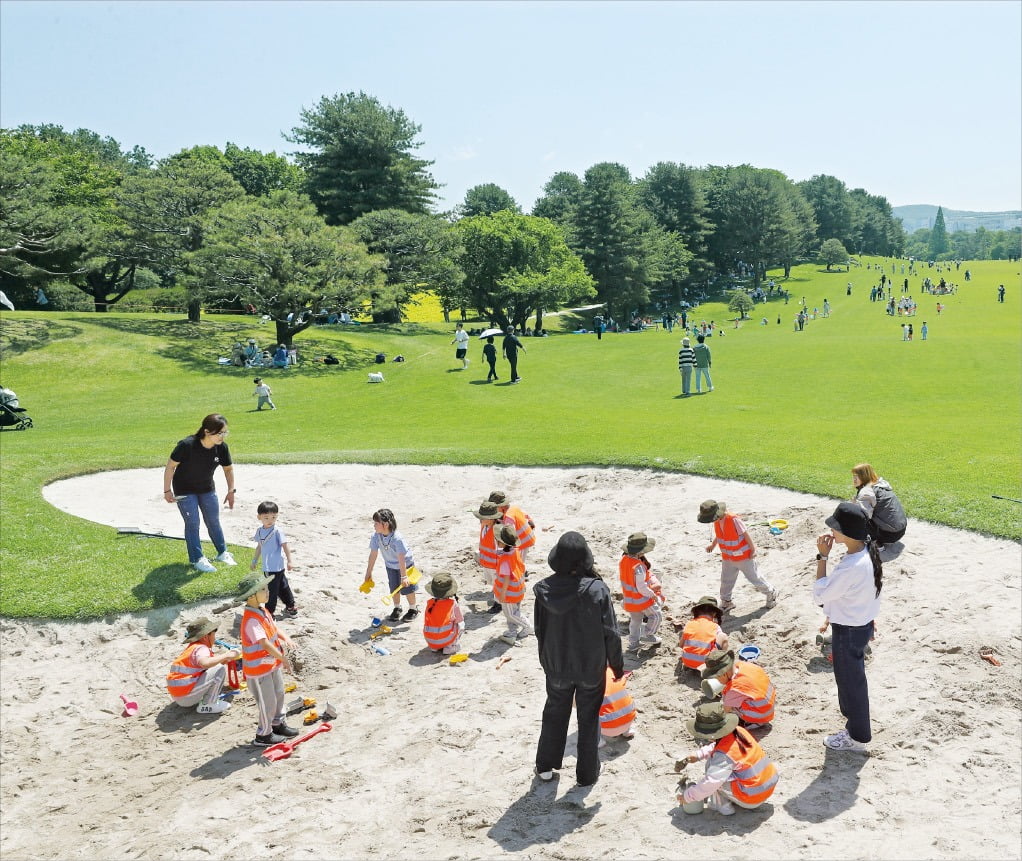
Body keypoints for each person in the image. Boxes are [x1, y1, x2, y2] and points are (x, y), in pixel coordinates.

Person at [533, 531, 625, 787]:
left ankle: (545, 767)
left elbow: (539, 630)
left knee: (554, 712)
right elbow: (611, 633)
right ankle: (587, 775)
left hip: (556, 665)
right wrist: (617, 665)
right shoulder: (597, 590)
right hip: (590, 668)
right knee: (588, 718)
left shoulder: (543, 590)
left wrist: (547, 661)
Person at [813, 502, 883, 752]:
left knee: (850, 684)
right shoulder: (866, 551)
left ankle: (857, 736)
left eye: (835, 527)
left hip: (849, 630)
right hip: (861, 624)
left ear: (848, 533)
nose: (832, 531)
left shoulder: (851, 565)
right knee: (854, 680)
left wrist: (822, 557)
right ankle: (856, 730)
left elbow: (820, 595)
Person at [163, 414, 238, 573]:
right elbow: (170, 466)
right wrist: (167, 490)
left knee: (213, 521)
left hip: (207, 488)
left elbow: (228, 469)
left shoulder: (222, 447)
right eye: (220, 433)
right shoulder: (187, 445)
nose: (223, 436)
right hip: (184, 489)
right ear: (207, 431)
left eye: (225, 432)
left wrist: (231, 490)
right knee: (193, 523)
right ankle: (197, 559)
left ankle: (222, 552)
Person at [675, 702, 779, 816]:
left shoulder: (723, 756)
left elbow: (710, 783)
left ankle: (722, 806)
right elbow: (723, 746)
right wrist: (698, 755)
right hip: (767, 785)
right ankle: (731, 797)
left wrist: (687, 797)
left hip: (753, 798)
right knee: (716, 766)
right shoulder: (739, 731)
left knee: (711, 769)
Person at [237, 573, 299, 747]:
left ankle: (277, 724)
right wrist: (283, 658)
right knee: (267, 702)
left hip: (270, 665)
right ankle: (263, 735)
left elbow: (273, 628)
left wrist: (285, 637)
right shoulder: (251, 620)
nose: (268, 592)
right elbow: (263, 642)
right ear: (251, 596)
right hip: (258, 671)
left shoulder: (262, 610)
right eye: (263, 589)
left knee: (279, 693)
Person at [699, 500, 777, 613]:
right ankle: (726, 601)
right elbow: (720, 534)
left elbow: (745, 534)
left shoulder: (733, 519)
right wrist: (713, 544)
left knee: (754, 578)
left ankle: (771, 592)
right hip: (728, 557)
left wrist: (753, 549)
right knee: (726, 580)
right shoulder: (717, 521)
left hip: (744, 557)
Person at [165, 617, 240, 715]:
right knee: (219, 669)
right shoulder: (202, 648)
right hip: (187, 697)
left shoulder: (192, 648)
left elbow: (204, 667)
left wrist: (222, 659)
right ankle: (208, 705)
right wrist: (226, 655)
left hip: (178, 696)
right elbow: (205, 663)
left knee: (217, 667)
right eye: (213, 634)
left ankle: (205, 701)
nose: (214, 638)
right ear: (205, 637)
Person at [363, 508, 419, 623]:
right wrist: (368, 573)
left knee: (408, 589)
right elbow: (373, 555)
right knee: (394, 588)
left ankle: (413, 609)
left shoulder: (397, 538)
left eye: (376, 523)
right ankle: (397, 607)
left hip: (405, 565)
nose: (374, 525)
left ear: (386, 524)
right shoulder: (376, 536)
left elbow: (401, 558)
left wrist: (404, 576)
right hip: (391, 565)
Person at [700, 648, 776, 726]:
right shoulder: (743, 665)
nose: (717, 680)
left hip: (761, 715)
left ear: (724, 673)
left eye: (716, 677)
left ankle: (752, 723)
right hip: (768, 704)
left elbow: (725, 710)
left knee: (731, 708)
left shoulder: (734, 689)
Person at [249, 500, 296, 618]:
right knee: (282, 586)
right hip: (267, 566)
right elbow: (259, 546)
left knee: (271, 591)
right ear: (259, 517)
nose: (270, 520)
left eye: (273, 517)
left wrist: (290, 560)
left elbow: (285, 545)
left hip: (276, 566)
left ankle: (269, 613)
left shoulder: (277, 531)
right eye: (266, 518)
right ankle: (290, 606)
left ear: (277, 516)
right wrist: (254, 560)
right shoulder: (259, 531)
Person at [618, 532, 663, 650]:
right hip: (641, 600)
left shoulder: (623, 560)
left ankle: (633, 643)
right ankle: (648, 634)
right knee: (656, 615)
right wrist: (652, 594)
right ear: (640, 551)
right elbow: (641, 588)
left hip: (629, 599)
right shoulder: (638, 567)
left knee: (635, 621)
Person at [493, 524, 533, 645]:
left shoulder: (505, 560)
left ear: (501, 543)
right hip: (518, 589)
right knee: (514, 611)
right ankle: (512, 632)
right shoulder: (515, 551)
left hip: (509, 593)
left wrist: (502, 595)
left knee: (511, 614)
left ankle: (528, 627)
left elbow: (506, 579)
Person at [851, 463, 907, 545]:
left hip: (889, 535)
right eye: (853, 476)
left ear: (865, 476)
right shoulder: (880, 483)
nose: (854, 479)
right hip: (901, 530)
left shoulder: (867, 491)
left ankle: (876, 544)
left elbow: (863, 516)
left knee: (855, 519)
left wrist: (854, 505)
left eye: (857, 476)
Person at [488, 490, 536, 568]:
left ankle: (521, 574)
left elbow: (510, 537)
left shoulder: (508, 518)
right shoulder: (513, 508)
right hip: (528, 535)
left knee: (517, 563)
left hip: (523, 542)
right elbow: (528, 519)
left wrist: (502, 551)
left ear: (501, 506)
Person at [679, 596, 729, 671]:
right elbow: (719, 640)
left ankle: (691, 663)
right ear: (714, 613)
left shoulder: (689, 623)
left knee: (686, 635)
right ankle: (721, 664)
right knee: (723, 636)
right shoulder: (715, 626)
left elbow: (681, 645)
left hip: (687, 662)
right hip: (705, 666)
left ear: (697, 611)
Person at [422, 572, 466, 655]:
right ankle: (449, 647)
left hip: (430, 640)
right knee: (461, 624)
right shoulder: (452, 604)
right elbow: (459, 620)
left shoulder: (430, 603)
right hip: (446, 638)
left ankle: (435, 648)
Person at [473, 500, 503, 614]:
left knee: (497, 584)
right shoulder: (484, 525)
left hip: (496, 565)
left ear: (491, 518)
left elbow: (501, 551)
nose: (480, 519)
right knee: (492, 583)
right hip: (487, 563)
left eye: (482, 517)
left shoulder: (498, 531)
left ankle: (498, 603)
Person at [599, 667, 636, 746]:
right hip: (630, 719)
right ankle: (627, 730)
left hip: (609, 729)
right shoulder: (611, 670)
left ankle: (598, 740)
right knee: (620, 699)